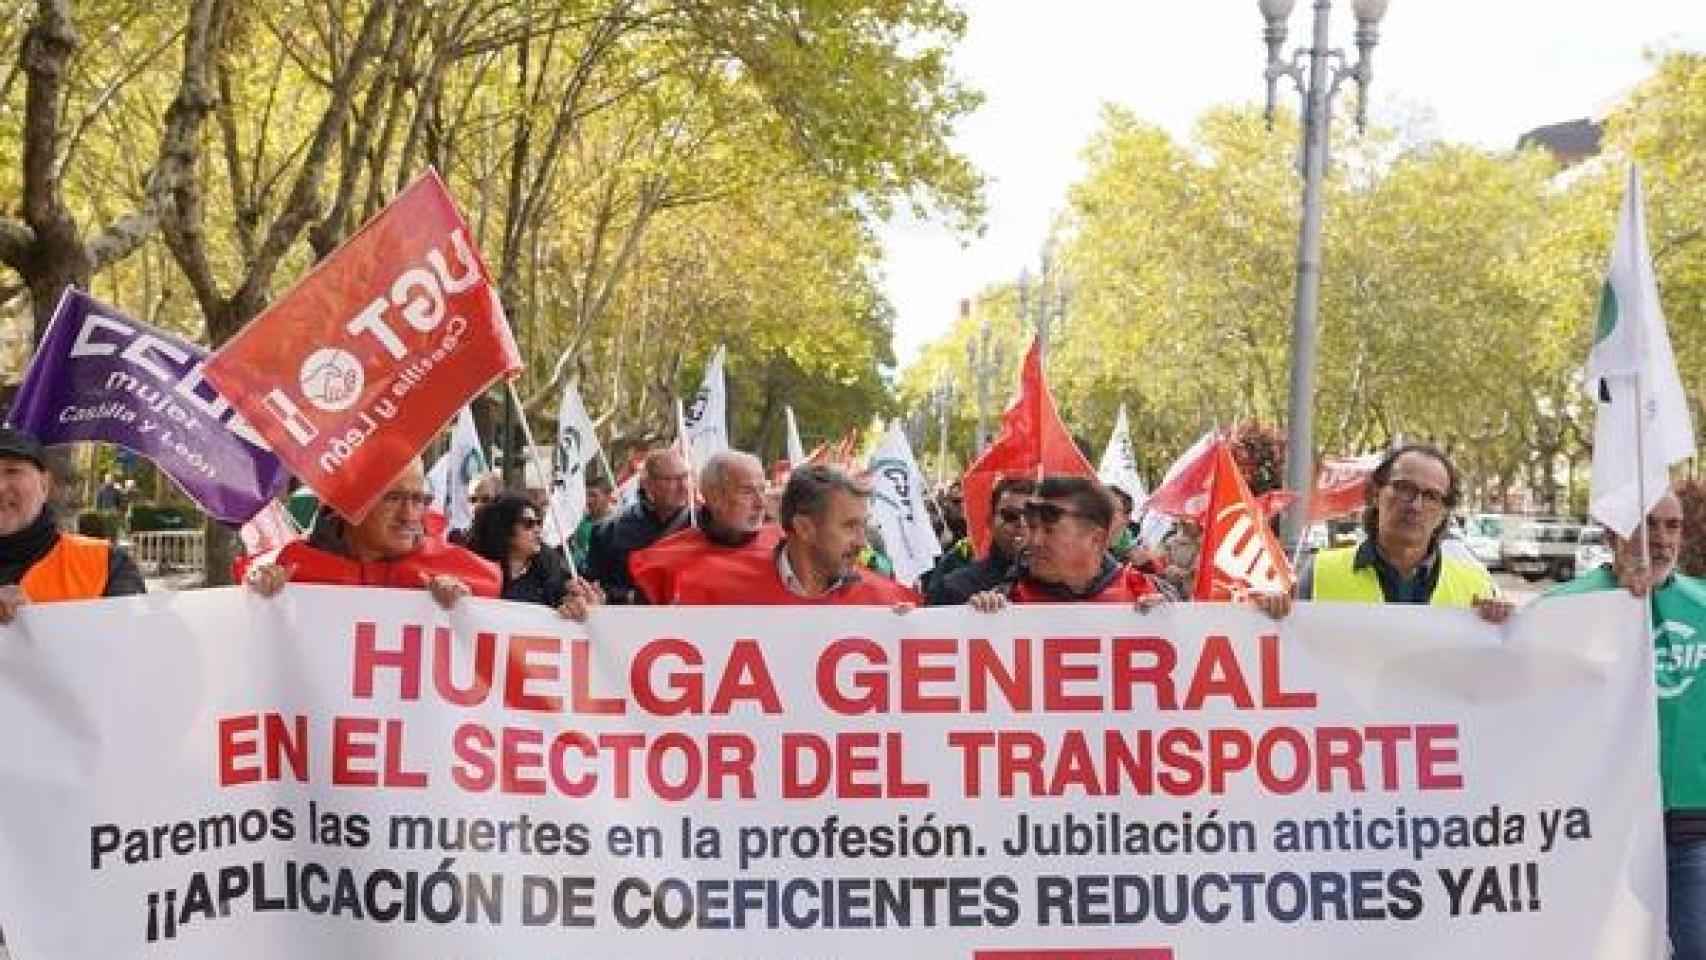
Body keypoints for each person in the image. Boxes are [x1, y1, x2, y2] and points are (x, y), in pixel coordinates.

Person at [1540, 491, 1706, 958]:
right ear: (1614, 531)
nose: (1661, 538)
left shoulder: (1703, 605)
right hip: (1598, 818)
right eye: (1647, 524)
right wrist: (1493, 626)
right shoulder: (1561, 609)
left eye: (1672, 526)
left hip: (1688, 820)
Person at [1252, 444, 1511, 623]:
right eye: (1404, 489)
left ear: (1444, 511)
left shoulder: (1475, 585)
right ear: (1376, 494)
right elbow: (1285, 657)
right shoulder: (1320, 572)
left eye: (1431, 496)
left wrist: (1503, 624)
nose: (1415, 505)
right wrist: (1268, 617)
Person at [246, 458, 503, 609]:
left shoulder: (456, 571)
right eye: (393, 498)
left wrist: (468, 613)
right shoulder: (291, 569)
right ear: (349, 502)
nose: (410, 515)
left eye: (419, 499)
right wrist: (257, 599)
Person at [667, 465, 918, 605]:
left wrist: (904, 634)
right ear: (804, 528)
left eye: (864, 526)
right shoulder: (716, 595)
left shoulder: (884, 603)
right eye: (849, 526)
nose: (863, 542)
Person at [0, 427, 144, 623]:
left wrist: (35, 624)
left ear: (45, 485)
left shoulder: (107, 564)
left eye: (13, 471)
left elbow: (130, 645)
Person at [970, 475, 1171, 610]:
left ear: (1096, 538)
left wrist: (1170, 624)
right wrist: (979, 623)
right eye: (1031, 527)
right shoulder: (1004, 602)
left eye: (1049, 531)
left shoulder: (1148, 592)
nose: (1034, 541)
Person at [627, 451, 781, 604]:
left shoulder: (788, 545)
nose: (761, 503)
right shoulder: (660, 564)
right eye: (747, 491)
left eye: (762, 490)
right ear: (714, 498)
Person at [586, 448, 691, 603]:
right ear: (648, 484)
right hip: (630, 622)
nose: (684, 487)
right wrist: (631, 597)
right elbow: (593, 586)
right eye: (672, 479)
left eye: (685, 477)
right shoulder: (609, 531)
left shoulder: (705, 526)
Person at [926, 475, 1032, 605]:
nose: (1022, 523)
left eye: (1031, 515)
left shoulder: (1060, 585)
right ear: (990, 522)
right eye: (1010, 515)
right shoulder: (954, 587)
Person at [467, 493, 573, 608]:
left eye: (539, 523)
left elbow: (565, 600)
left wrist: (575, 602)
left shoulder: (551, 570)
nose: (537, 530)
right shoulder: (476, 571)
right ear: (504, 529)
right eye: (529, 524)